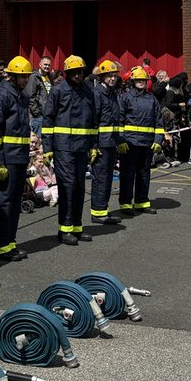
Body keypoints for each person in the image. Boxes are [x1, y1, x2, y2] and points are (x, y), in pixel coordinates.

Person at [41, 55, 97, 245]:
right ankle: (64, 229)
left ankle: (77, 227)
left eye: (80, 72)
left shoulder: (88, 91)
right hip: (63, 147)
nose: (77, 75)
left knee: (80, 186)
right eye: (73, 72)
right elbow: (48, 120)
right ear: (67, 73)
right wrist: (47, 148)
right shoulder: (58, 91)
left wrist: (94, 145)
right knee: (68, 185)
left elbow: (92, 121)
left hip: (82, 147)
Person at [0, 56, 33, 262]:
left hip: (19, 157)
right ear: (12, 76)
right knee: (3, 202)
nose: (25, 80)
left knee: (14, 202)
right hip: (6, 158)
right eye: (22, 77)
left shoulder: (21, 96)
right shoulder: (2, 95)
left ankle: (9, 242)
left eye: (27, 77)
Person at [117, 66, 163, 215]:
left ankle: (141, 202)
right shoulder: (125, 98)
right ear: (132, 81)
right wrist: (120, 140)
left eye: (143, 79)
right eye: (138, 80)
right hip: (129, 143)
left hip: (147, 143)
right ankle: (125, 204)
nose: (141, 82)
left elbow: (158, 121)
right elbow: (119, 121)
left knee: (144, 174)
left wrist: (158, 140)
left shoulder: (152, 99)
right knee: (127, 174)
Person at [91, 59, 124, 227]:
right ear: (102, 77)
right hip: (101, 144)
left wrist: (119, 141)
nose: (112, 79)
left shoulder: (112, 94)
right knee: (101, 178)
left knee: (108, 178)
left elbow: (114, 120)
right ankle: (98, 212)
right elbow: (93, 121)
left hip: (110, 143)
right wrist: (93, 146)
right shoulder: (97, 94)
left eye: (114, 76)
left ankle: (103, 209)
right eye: (109, 76)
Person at [27, 55, 53, 136]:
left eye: (49, 65)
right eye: (45, 64)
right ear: (40, 64)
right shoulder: (34, 77)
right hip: (39, 116)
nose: (47, 67)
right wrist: (37, 113)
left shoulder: (49, 77)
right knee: (38, 139)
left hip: (48, 114)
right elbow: (31, 96)